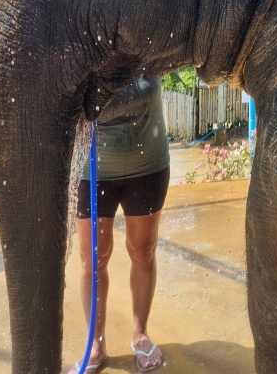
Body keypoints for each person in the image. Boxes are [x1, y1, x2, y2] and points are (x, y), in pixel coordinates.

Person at [69, 74, 170, 374]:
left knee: (143, 250)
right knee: (93, 260)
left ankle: (140, 334)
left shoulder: (146, 40)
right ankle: (96, 344)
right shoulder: (81, 41)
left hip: (147, 165)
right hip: (92, 168)